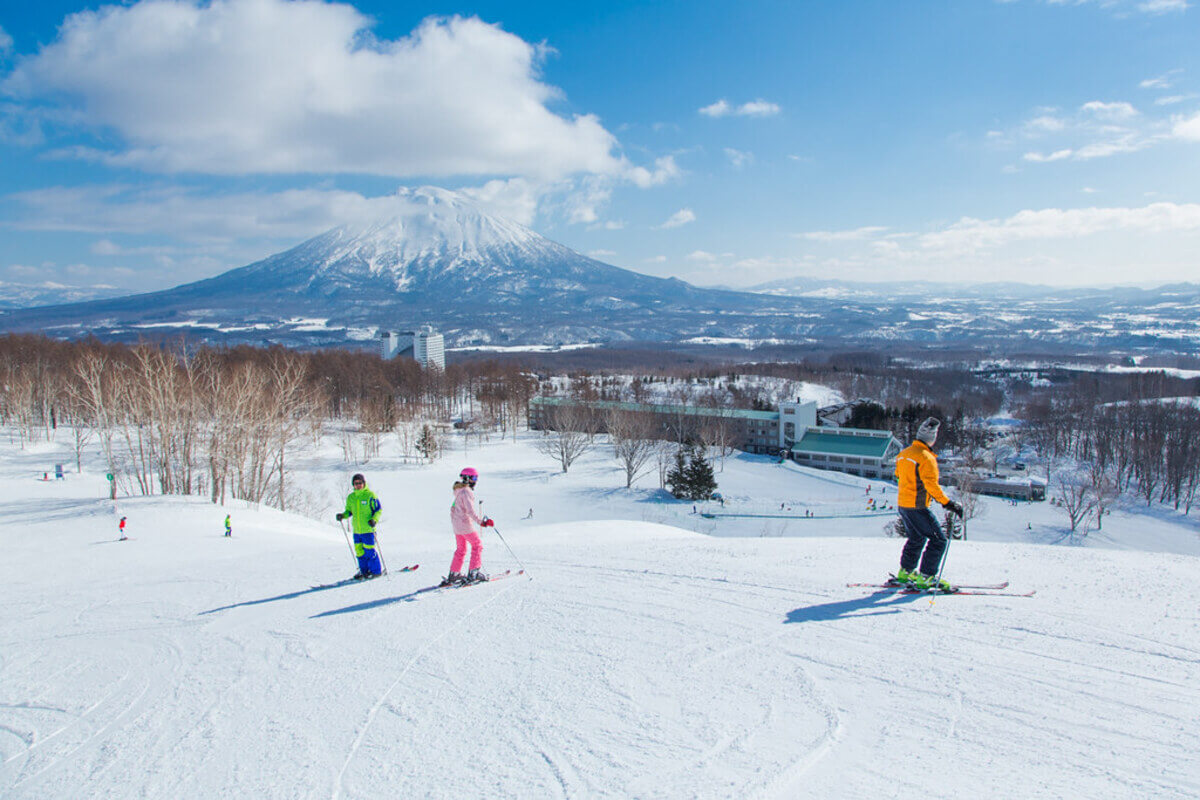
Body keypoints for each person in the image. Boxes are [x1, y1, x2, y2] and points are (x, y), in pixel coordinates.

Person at [893, 418, 963, 591]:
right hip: (917, 506)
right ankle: (926, 577)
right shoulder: (926, 458)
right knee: (939, 540)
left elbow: (898, 476)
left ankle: (906, 572)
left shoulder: (904, 454)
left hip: (903, 504)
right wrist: (948, 503)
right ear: (932, 439)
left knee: (916, 537)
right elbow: (931, 485)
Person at [441, 467, 491, 586]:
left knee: (461, 549)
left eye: (476, 478)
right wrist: (481, 522)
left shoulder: (458, 491)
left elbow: (453, 509)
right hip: (464, 525)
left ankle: (454, 574)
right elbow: (470, 511)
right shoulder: (466, 492)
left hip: (457, 526)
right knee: (477, 545)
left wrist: (456, 522)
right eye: (474, 478)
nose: (475, 481)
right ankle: (474, 573)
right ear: (467, 478)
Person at [336, 473, 382, 580]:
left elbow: (378, 510)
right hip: (357, 531)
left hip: (368, 529)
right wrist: (342, 515)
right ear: (353, 485)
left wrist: (374, 520)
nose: (358, 485)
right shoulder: (351, 497)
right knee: (359, 552)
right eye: (356, 483)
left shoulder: (370, 495)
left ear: (364, 483)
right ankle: (364, 571)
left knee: (369, 551)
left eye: (360, 483)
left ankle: (376, 571)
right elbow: (349, 511)